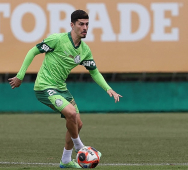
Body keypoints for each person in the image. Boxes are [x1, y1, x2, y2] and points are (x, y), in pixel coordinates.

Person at [8, 9, 122, 168]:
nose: (85, 28)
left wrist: (108, 89)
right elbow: (33, 51)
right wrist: (20, 76)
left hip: (61, 89)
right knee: (71, 113)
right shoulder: (57, 39)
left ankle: (66, 160)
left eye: (87, 24)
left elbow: (94, 72)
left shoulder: (84, 50)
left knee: (78, 124)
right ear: (72, 25)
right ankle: (79, 146)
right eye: (81, 24)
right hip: (44, 87)